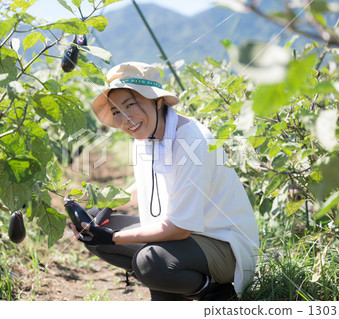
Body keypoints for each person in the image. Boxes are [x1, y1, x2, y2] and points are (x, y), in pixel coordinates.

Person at [70, 61, 259, 301]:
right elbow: (147, 181)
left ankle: (215, 291)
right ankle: (169, 285)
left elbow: (178, 229)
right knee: (93, 233)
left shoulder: (191, 140)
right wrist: (108, 207)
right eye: (117, 111)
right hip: (185, 236)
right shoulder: (145, 136)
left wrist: (113, 237)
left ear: (157, 101)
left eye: (131, 105)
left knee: (148, 261)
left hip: (221, 244)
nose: (126, 119)